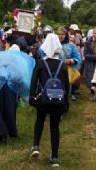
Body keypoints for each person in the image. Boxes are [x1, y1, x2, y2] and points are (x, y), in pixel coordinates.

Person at [29, 33, 70, 167]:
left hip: (43, 99)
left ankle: (35, 146)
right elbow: (67, 85)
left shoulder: (40, 63)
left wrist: (31, 97)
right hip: (58, 100)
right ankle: (55, 158)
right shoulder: (63, 65)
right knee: (54, 127)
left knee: (39, 121)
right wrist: (66, 103)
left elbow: (34, 81)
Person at [0, 48, 35, 143]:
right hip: (7, 89)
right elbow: (21, 80)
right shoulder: (17, 65)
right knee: (8, 111)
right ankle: (5, 132)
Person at [57, 27, 81, 101]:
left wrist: (71, 61)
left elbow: (78, 58)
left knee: (66, 89)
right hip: (55, 70)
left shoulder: (71, 45)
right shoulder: (54, 45)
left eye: (63, 34)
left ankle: (65, 104)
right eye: (59, 34)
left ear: (66, 35)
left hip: (66, 70)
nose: (61, 36)